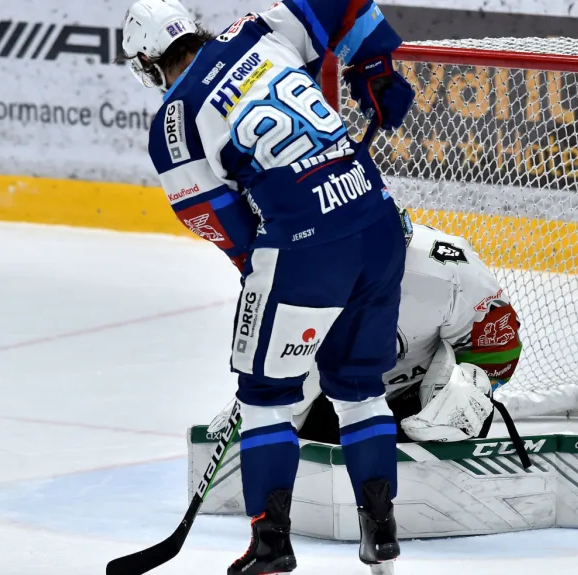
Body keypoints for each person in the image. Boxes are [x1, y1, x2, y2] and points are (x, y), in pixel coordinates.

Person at [118, 1, 415, 573]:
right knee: (359, 388)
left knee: (266, 398)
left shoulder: (174, 124)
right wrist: (373, 67)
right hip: (377, 224)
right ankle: (381, 539)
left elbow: (234, 235)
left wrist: (282, 280)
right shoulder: (259, 28)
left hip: (306, 248)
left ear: (150, 63)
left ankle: (270, 546)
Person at [209, 217, 524, 445]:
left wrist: (474, 388)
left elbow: (499, 347)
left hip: (419, 397)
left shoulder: (450, 271)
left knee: (460, 397)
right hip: (336, 398)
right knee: (276, 415)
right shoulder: (296, 274)